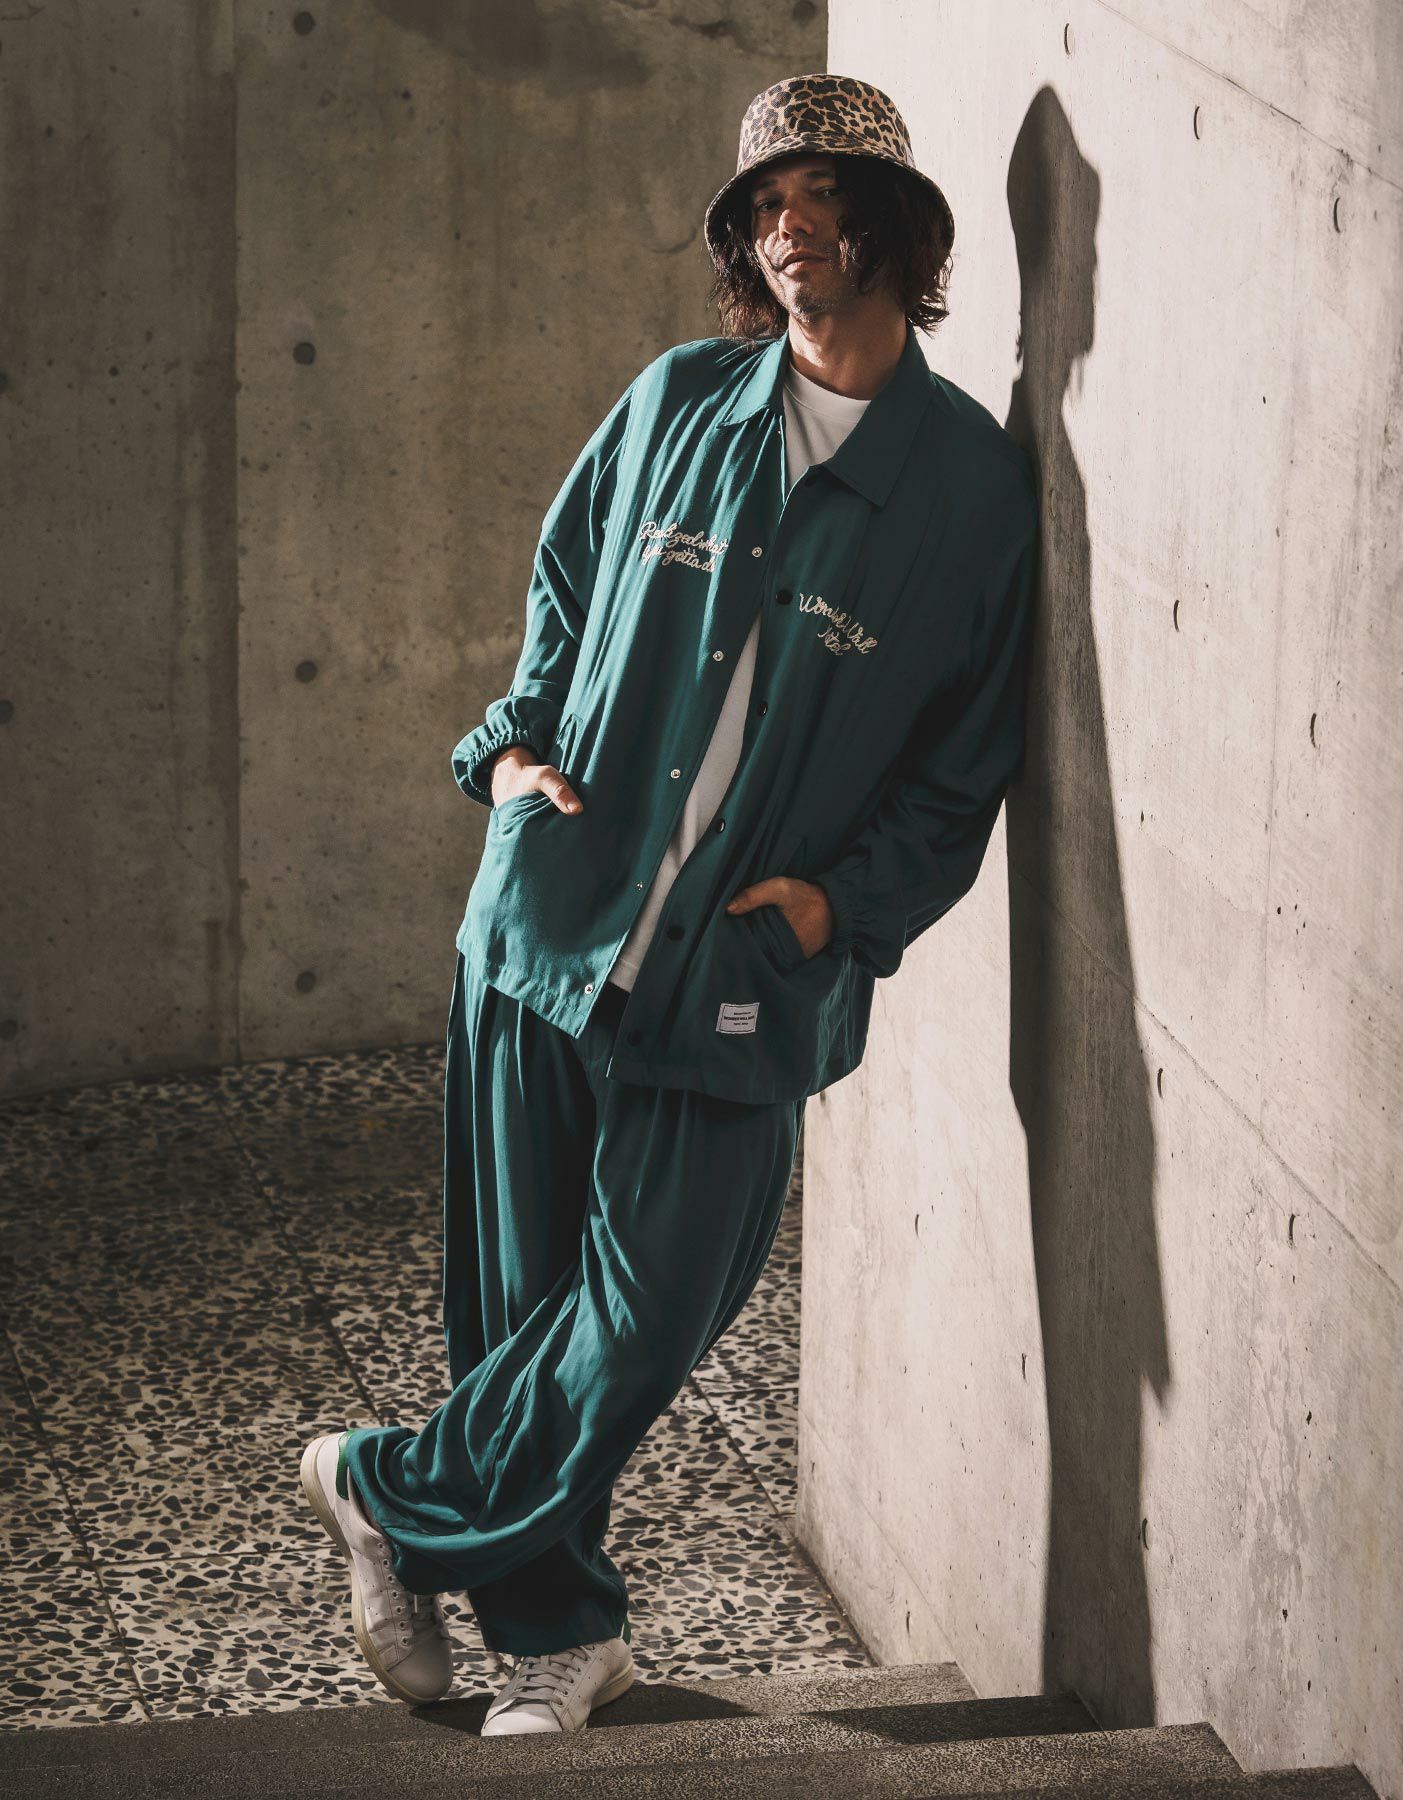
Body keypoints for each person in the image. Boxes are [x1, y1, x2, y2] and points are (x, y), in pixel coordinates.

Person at [300, 71, 1040, 1737]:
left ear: (895, 226)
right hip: (547, 929)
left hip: (747, 974)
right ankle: (560, 1642)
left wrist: (834, 910)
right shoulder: (677, 402)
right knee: (518, 1313)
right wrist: (510, 756)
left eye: (819, 194)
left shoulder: (971, 494)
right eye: (765, 204)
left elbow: (961, 770)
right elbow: (563, 589)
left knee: (646, 1315)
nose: (789, 227)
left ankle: (381, 1490)